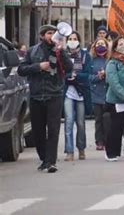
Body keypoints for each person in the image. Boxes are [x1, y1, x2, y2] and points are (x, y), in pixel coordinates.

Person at [18, 25, 73, 173]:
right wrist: (38, 66)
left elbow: (69, 68)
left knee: (53, 130)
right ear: (42, 36)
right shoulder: (32, 51)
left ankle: (51, 162)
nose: (52, 36)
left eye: (54, 33)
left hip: (55, 94)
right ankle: (44, 159)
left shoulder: (60, 50)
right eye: (49, 33)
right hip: (36, 96)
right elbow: (21, 70)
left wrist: (61, 52)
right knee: (38, 131)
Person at [63, 31, 92, 162]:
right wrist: (69, 77)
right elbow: (61, 73)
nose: (72, 40)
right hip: (68, 92)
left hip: (81, 93)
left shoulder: (85, 56)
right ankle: (69, 151)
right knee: (68, 122)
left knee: (80, 123)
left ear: (79, 40)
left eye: (75, 38)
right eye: (70, 38)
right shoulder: (63, 55)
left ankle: (81, 148)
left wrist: (77, 77)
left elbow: (88, 74)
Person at [90, 38, 111, 151]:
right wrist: (98, 77)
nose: (100, 45)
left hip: (108, 94)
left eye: (103, 43)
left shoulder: (110, 60)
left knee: (107, 119)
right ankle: (99, 141)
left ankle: (108, 140)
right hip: (96, 93)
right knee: (98, 120)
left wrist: (106, 74)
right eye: (98, 43)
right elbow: (88, 77)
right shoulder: (91, 60)